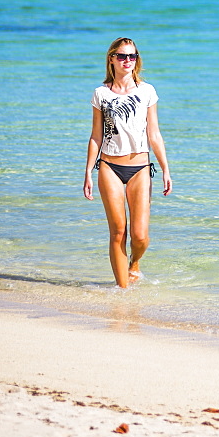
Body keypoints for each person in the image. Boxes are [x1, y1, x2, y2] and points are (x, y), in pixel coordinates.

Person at [84, 37, 172, 287]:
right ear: (111, 59)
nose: (127, 61)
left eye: (132, 56)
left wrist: (166, 169)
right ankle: (122, 294)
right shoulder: (100, 94)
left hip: (140, 167)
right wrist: (88, 171)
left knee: (140, 236)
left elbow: (154, 133)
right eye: (122, 56)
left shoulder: (147, 91)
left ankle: (134, 262)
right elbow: (96, 135)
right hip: (110, 166)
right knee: (118, 232)